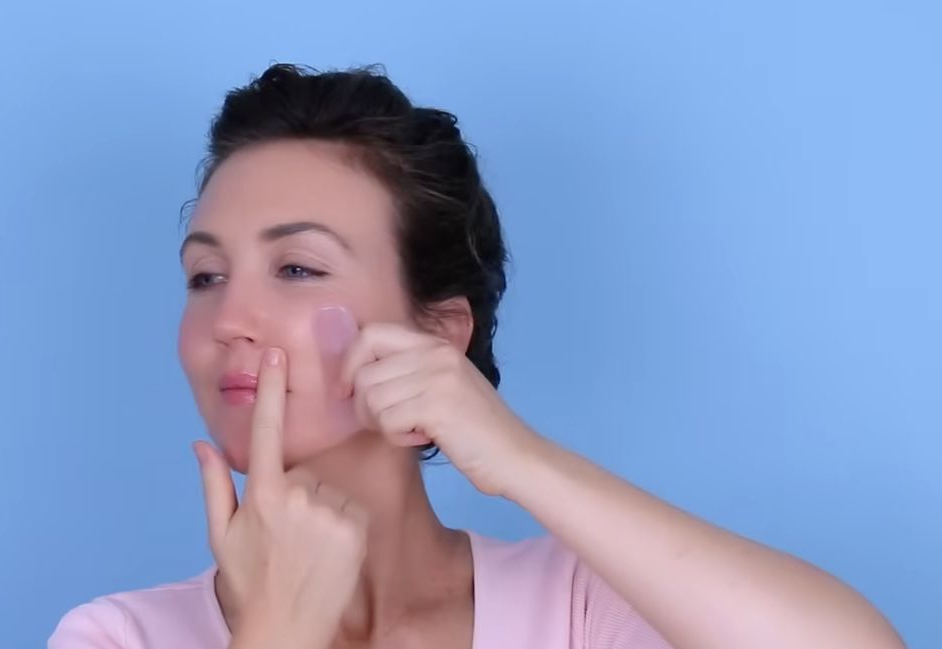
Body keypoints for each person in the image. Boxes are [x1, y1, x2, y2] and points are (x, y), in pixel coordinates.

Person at [49, 63, 905, 649]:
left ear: (438, 332)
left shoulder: (576, 607)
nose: (230, 318)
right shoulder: (117, 636)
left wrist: (523, 461)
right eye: (205, 276)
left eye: (298, 268)